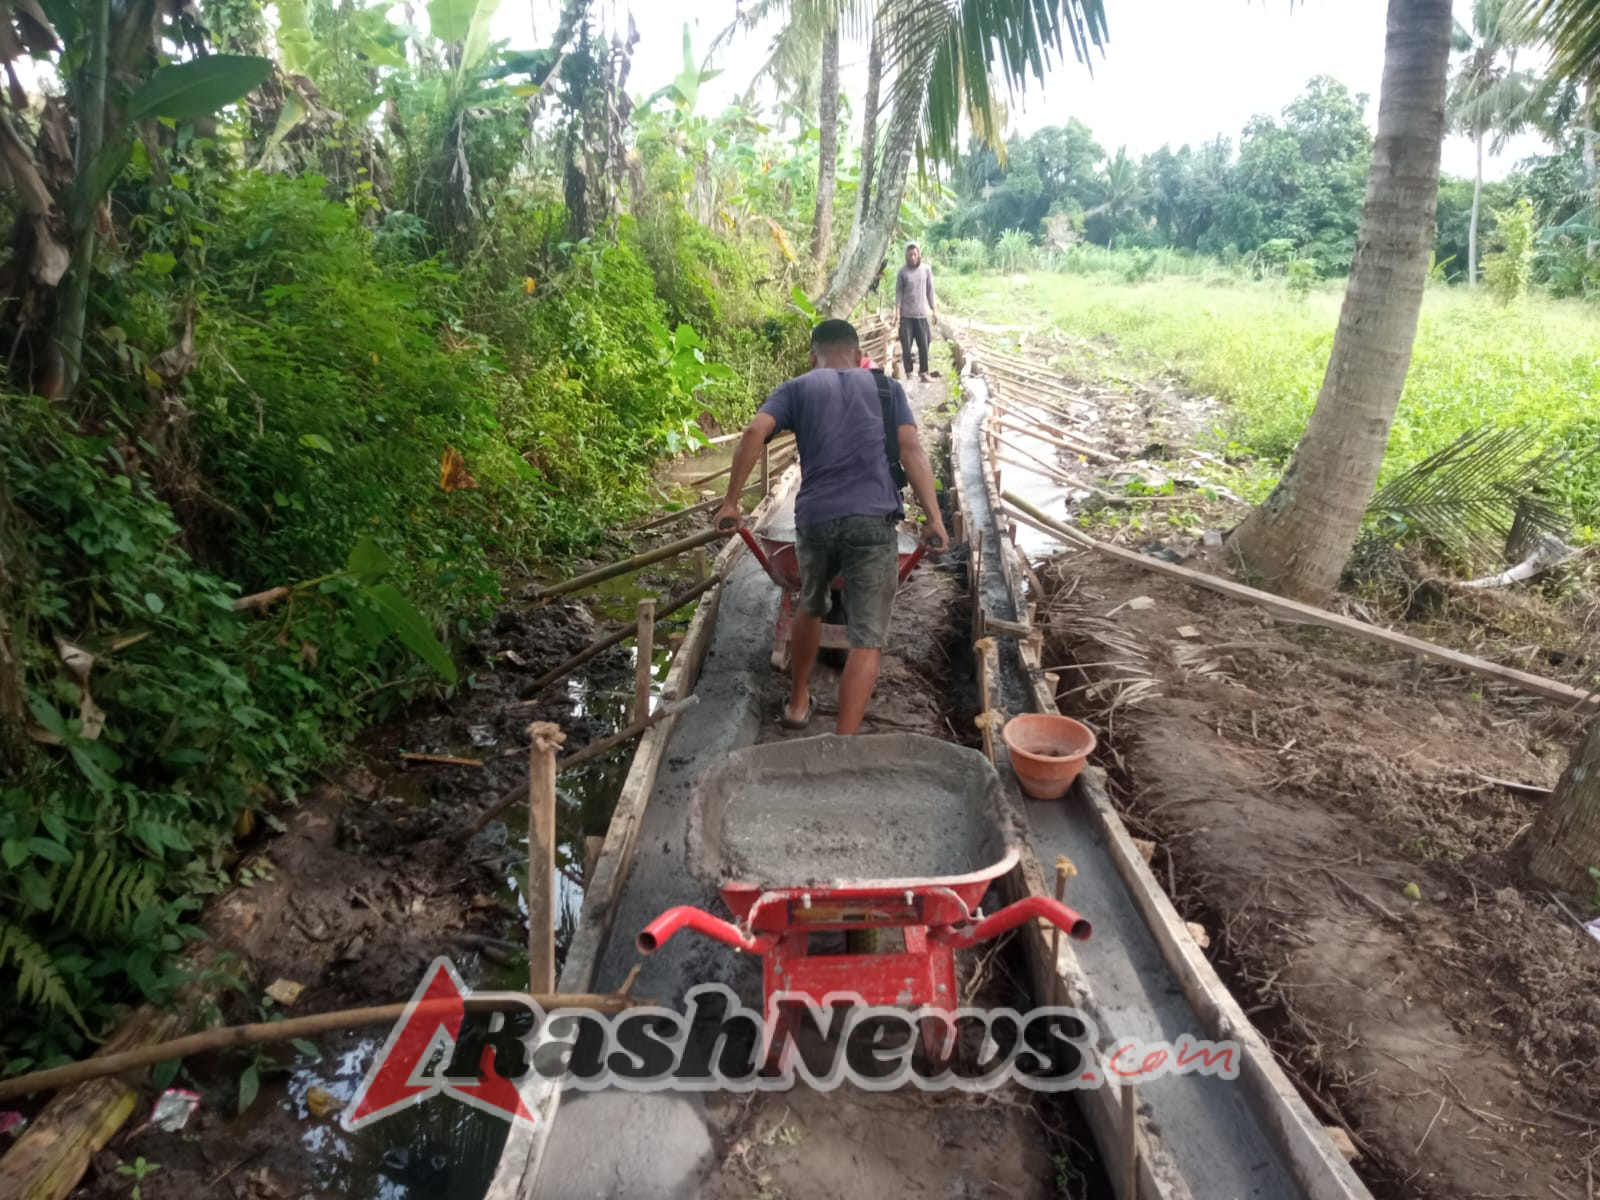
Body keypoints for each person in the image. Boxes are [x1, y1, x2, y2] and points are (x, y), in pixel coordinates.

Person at [715, 319, 949, 736]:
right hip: (873, 520)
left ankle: (797, 703)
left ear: (813, 356)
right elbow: (911, 450)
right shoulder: (886, 388)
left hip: (816, 519)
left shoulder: (796, 388)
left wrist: (731, 502)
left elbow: (754, 432)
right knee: (867, 639)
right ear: (859, 356)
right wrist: (934, 518)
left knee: (809, 605)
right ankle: (844, 741)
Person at [893, 242, 937, 382]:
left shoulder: (926, 270)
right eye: (910, 255)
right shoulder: (902, 272)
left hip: (921, 315)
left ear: (919, 255)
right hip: (906, 316)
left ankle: (924, 373)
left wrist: (934, 310)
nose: (912, 257)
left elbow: (930, 291)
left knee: (924, 344)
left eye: (914, 254)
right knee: (906, 347)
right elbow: (899, 293)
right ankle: (909, 373)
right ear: (906, 256)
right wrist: (897, 313)